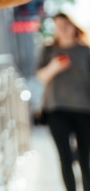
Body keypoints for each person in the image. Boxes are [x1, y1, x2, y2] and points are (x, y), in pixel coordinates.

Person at [36, 12, 90, 191]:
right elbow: (41, 77)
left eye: (66, 24)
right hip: (56, 109)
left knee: (85, 158)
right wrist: (54, 67)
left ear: (74, 26)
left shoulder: (85, 51)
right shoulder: (48, 50)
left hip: (84, 110)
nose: (62, 29)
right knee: (65, 158)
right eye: (58, 25)